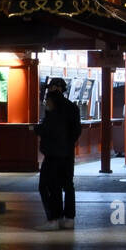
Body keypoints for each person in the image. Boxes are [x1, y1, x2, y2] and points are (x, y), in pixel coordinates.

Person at [35, 78, 82, 230]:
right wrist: (68, 144)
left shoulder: (53, 108)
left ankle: (54, 219)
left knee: (48, 186)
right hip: (67, 153)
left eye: (51, 87)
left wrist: (37, 129)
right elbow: (77, 131)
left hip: (53, 155)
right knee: (68, 185)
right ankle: (69, 218)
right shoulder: (73, 107)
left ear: (57, 88)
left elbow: (48, 129)